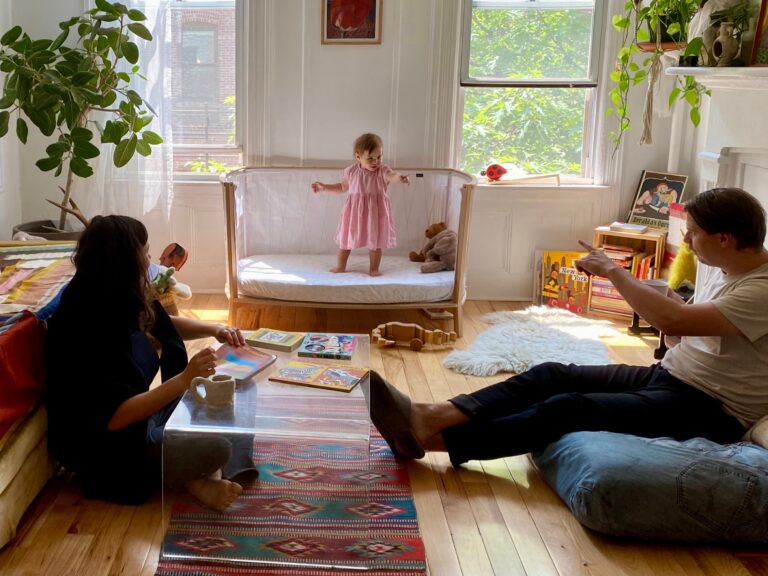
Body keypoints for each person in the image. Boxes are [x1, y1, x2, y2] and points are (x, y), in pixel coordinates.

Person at [370, 187, 768, 466]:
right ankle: (431, 413)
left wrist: (614, 272)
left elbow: (672, 321)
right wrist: (665, 308)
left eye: (694, 234)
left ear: (726, 238)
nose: (688, 243)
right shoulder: (726, 267)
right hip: (671, 377)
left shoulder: (761, 290)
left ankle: (433, 440)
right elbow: (681, 329)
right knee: (550, 375)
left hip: (712, 410)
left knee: (566, 408)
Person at [45, 215, 253, 509]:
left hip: (143, 416)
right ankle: (199, 478)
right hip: (109, 450)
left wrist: (214, 329)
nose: (149, 258)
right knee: (222, 446)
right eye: (144, 252)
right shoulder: (84, 325)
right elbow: (114, 417)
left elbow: (159, 321)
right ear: (123, 261)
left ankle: (198, 477)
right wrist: (184, 379)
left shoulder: (114, 292)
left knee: (233, 401)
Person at [310, 132, 410, 276]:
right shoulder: (351, 171)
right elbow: (343, 187)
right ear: (358, 157)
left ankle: (374, 268)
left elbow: (392, 175)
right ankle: (340, 266)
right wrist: (325, 187)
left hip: (375, 214)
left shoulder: (382, 171)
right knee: (345, 242)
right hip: (354, 214)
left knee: (375, 243)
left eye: (379, 157)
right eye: (370, 158)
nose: (376, 161)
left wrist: (400, 178)